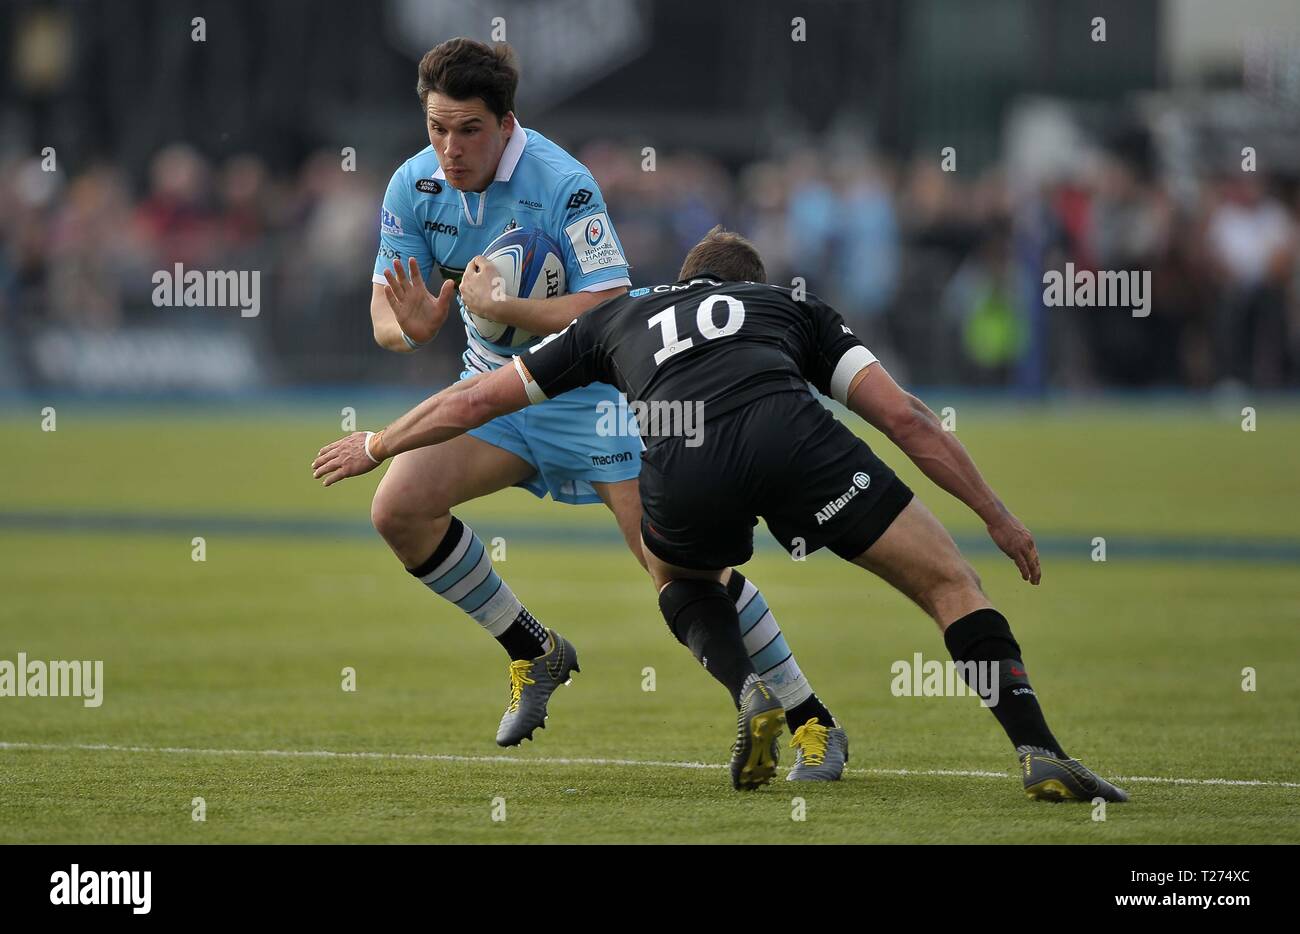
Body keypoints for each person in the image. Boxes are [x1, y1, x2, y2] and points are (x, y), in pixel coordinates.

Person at [316, 226, 1129, 799]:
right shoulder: (788, 308)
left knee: (677, 573)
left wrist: (380, 444)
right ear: (751, 281)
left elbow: (476, 397)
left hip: (683, 460)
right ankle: (1038, 751)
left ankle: (750, 689)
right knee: (951, 585)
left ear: (686, 276)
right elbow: (907, 417)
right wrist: (995, 514)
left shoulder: (620, 314)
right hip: (796, 442)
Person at [364, 38, 843, 775]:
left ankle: (811, 718)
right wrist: (413, 329)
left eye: (468, 131)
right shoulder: (413, 185)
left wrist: (510, 304)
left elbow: (610, 305)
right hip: (492, 394)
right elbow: (384, 312)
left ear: (506, 123)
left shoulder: (563, 182)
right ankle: (534, 649)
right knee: (398, 510)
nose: (449, 149)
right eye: (436, 128)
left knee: (676, 572)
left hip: (590, 400)